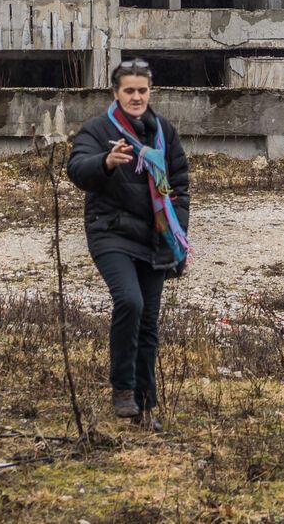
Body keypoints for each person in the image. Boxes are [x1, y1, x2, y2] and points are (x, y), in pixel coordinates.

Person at [66, 57, 190, 428]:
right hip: (111, 232)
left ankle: (144, 405)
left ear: (150, 92)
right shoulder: (99, 129)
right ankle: (122, 389)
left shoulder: (163, 132)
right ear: (115, 93)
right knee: (130, 302)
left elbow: (179, 187)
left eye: (142, 90)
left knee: (149, 322)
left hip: (155, 237)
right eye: (129, 91)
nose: (136, 97)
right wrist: (105, 162)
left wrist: (176, 237)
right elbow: (77, 170)